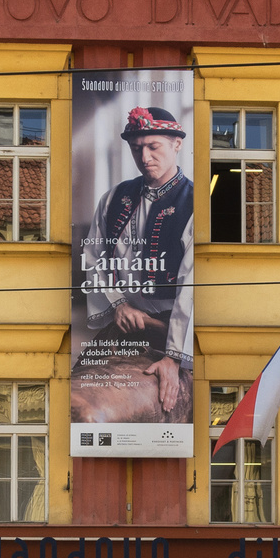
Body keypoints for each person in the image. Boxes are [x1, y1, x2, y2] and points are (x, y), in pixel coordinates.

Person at [77, 105, 194, 419]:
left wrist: (174, 357)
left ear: (177, 144)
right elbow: (93, 257)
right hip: (124, 326)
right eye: (136, 148)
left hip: (175, 331)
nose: (145, 158)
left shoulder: (195, 204)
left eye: (153, 147)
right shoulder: (115, 197)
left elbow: (192, 287)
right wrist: (118, 304)